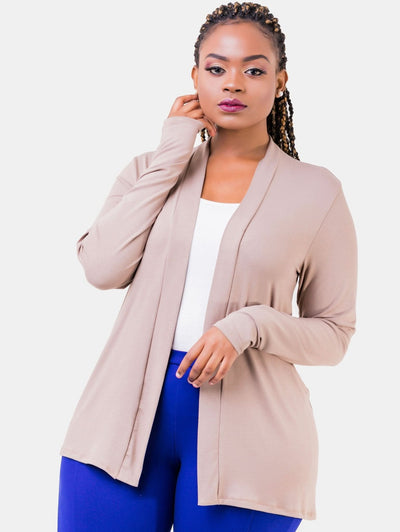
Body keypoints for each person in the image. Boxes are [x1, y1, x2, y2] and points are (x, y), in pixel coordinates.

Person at [57, 2, 358, 531]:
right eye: (216, 68)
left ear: (280, 81)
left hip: (253, 447)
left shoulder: (316, 193)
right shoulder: (149, 170)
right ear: (195, 77)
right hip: (116, 430)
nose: (233, 83)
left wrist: (249, 325)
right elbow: (102, 268)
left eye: (254, 70)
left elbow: (333, 335)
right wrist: (173, 151)